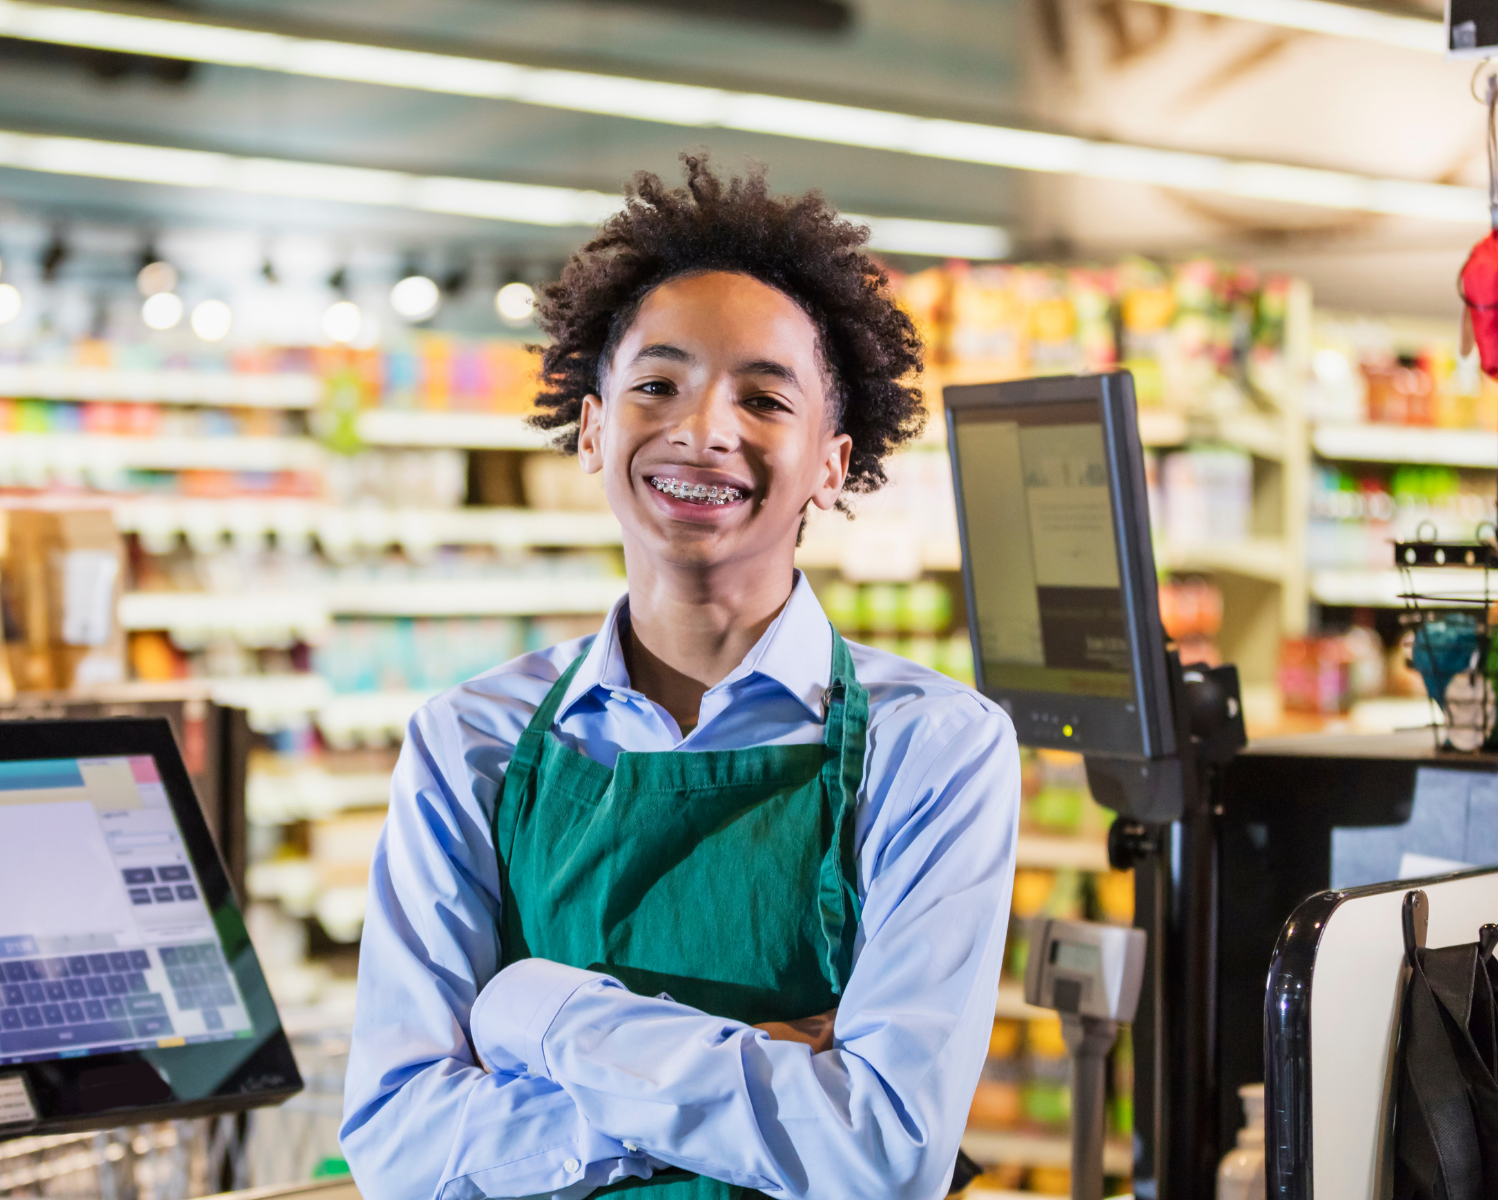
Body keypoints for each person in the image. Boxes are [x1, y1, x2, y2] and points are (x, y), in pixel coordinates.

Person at [338, 154, 1020, 1200]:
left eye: (764, 398)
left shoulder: (933, 746)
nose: (703, 429)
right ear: (594, 427)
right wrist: (766, 1080)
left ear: (833, 463)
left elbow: (880, 1155)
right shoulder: (468, 741)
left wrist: (537, 1013)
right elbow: (398, 1144)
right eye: (658, 385)